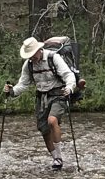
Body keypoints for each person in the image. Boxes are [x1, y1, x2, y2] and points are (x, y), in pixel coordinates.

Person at [4, 36, 76, 170]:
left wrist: (69, 87)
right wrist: (11, 91)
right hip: (41, 98)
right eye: (29, 55)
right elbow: (23, 84)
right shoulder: (29, 65)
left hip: (59, 94)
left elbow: (68, 75)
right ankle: (55, 158)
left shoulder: (53, 58)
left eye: (32, 54)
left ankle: (59, 157)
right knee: (44, 129)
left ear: (39, 50)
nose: (31, 57)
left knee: (52, 121)